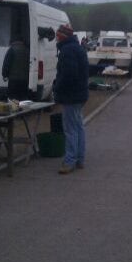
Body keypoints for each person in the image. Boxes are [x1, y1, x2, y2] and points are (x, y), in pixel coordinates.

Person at [53, 24, 90, 174]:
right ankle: (80, 159)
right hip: (80, 94)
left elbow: (68, 74)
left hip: (71, 95)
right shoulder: (78, 48)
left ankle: (70, 161)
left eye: (57, 36)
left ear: (62, 36)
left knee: (70, 129)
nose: (56, 38)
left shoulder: (67, 50)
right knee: (78, 126)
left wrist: (57, 87)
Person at [2, 36, 30, 101]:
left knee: (12, 99)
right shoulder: (27, 50)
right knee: (23, 99)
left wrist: (4, 75)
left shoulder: (11, 49)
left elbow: (6, 63)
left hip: (13, 80)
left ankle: (14, 107)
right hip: (24, 80)